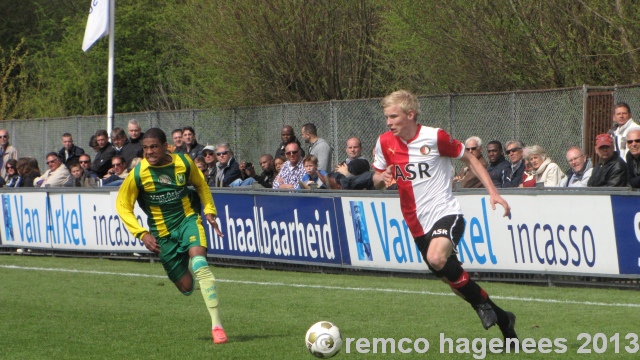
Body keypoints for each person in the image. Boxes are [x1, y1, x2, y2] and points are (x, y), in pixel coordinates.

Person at [371, 90, 517, 345]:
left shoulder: (434, 136)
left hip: (445, 212)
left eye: (393, 116)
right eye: (387, 117)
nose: (388, 122)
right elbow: (376, 179)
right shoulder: (384, 142)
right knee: (452, 280)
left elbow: (470, 158)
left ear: (410, 115)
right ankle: (504, 319)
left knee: (436, 257)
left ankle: (482, 307)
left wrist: (494, 193)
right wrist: (381, 180)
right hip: (416, 224)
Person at [115, 128, 227, 344]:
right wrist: (141, 233)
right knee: (186, 287)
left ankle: (217, 326)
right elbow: (122, 206)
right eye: (145, 148)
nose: (148, 152)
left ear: (166, 146)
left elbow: (201, 184)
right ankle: (189, 267)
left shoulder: (183, 162)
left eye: (153, 147)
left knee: (201, 265)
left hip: (188, 221)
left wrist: (209, 210)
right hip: (162, 236)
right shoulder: (138, 173)